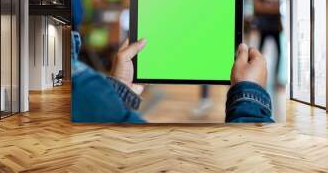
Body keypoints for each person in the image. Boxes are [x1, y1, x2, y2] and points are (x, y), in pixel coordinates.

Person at [71, 31, 273, 123]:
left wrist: (120, 91)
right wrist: (249, 93)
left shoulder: (82, 86)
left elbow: (108, 135)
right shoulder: (84, 85)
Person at [254, 0, 282, 81]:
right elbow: (258, 7)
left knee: (279, 52)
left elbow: (277, 8)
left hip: (275, 26)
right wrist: (271, 8)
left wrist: (266, 7)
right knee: (259, 51)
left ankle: (275, 76)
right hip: (264, 26)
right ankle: (258, 73)